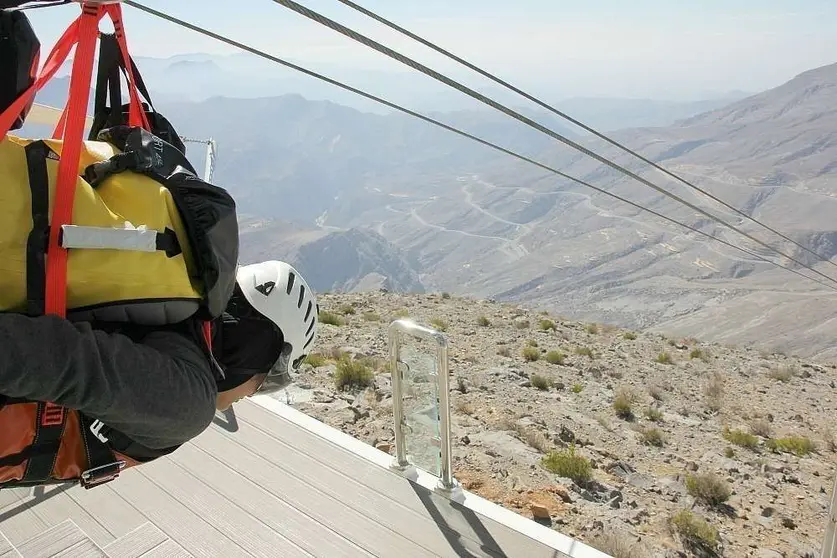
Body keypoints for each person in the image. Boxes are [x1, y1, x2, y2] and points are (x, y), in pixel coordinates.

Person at [0, 260, 319, 453]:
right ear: (256, 350)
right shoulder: (188, 401)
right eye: (270, 377)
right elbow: (49, 357)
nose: (253, 392)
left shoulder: (174, 311)